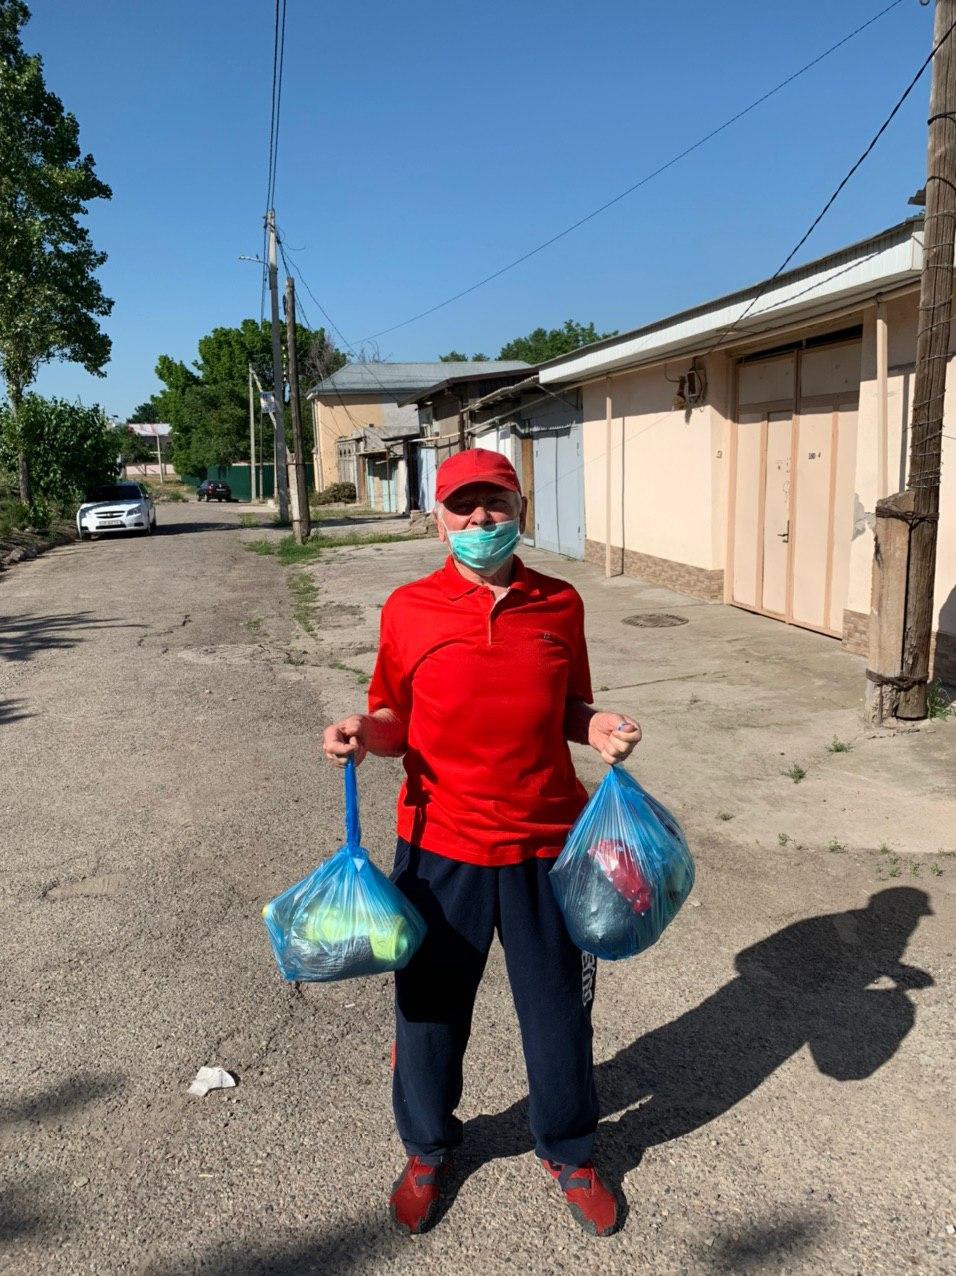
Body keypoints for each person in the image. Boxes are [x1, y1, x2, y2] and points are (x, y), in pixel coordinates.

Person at [323, 448, 641, 1237]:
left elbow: (570, 706)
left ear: (519, 509)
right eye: (462, 507)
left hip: (546, 846)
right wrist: (362, 732)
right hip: (441, 847)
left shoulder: (559, 603)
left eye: (494, 503)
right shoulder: (409, 609)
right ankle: (428, 1149)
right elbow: (394, 720)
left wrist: (597, 725)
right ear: (439, 521)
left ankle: (570, 1151)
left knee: (558, 1016)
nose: (479, 520)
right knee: (428, 1015)